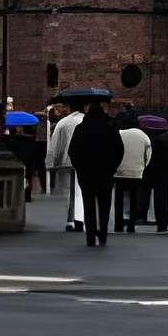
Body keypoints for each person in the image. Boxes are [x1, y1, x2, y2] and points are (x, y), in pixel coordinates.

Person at [69, 103, 123, 248]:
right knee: (104, 205)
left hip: (86, 173)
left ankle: (90, 236)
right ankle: (103, 233)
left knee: (89, 205)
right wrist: (112, 167)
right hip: (106, 172)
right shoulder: (111, 128)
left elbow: (72, 151)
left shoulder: (81, 128)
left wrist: (80, 167)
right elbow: (119, 150)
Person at [113, 112, 152, 234]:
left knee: (119, 199)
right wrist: (143, 166)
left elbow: (113, 152)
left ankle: (118, 224)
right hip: (137, 172)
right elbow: (148, 154)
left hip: (120, 172)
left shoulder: (120, 134)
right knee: (134, 199)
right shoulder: (143, 135)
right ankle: (131, 225)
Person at [46, 105, 81, 229]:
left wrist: (51, 162)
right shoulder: (86, 121)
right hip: (84, 163)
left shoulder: (63, 123)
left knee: (68, 191)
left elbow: (55, 144)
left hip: (66, 161)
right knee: (80, 191)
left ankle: (71, 218)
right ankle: (79, 217)